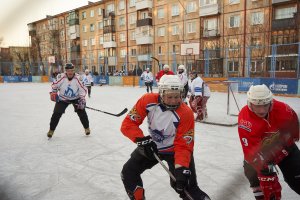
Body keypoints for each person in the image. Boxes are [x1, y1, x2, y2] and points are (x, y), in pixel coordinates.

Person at [120, 75, 211, 200]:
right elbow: (128, 124)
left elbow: (184, 145)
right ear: (161, 93)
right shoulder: (147, 100)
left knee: (186, 187)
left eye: (177, 96)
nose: (174, 101)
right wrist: (142, 140)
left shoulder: (186, 113)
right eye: (170, 97)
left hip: (175, 150)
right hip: (152, 147)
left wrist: (181, 167)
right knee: (128, 173)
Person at [238, 84, 300, 200]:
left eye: (265, 105)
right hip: (260, 151)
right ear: (250, 104)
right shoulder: (245, 119)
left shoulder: (283, 110)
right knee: (257, 177)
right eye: (257, 106)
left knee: (297, 179)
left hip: (286, 147)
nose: (261, 110)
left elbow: (294, 122)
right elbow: (251, 152)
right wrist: (267, 174)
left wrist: (295, 135)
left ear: (271, 102)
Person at [47, 63, 90, 138]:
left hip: (76, 98)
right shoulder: (61, 77)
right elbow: (54, 85)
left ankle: (87, 128)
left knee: (82, 113)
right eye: (68, 70)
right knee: (56, 114)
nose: (70, 72)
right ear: (65, 71)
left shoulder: (78, 78)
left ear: (74, 70)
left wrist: (82, 99)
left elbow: (83, 90)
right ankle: (51, 130)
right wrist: (53, 93)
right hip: (63, 98)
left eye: (72, 70)